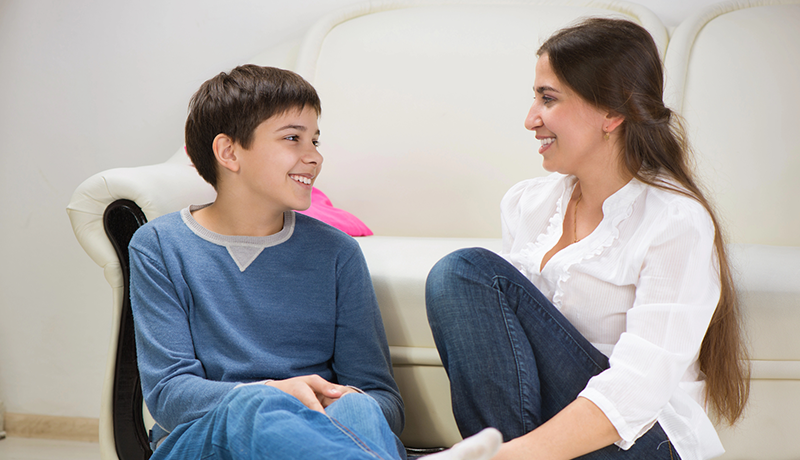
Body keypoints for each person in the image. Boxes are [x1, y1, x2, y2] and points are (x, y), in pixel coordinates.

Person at [129, 65, 501, 460]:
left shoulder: (336, 253)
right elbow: (169, 396)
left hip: (320, 437)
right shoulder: (159, 246)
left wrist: (337, 400)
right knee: (254, 406)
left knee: (360, 405)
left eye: (315, 141)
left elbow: (384, 400)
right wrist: (275, 393)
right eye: (293, 138)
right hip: (203, 441)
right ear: (229, 152)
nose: (314, 158)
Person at [425, 18, 749, 460]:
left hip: (639, 438)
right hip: (549, 434)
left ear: (612, 113)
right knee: (460, 276)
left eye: (548, 98)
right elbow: (506, 361)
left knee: (465, 271)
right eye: (534, 97)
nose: (530, 119)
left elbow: (636, 389)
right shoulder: (528, 204)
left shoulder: (675, 222)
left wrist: (508, 455)